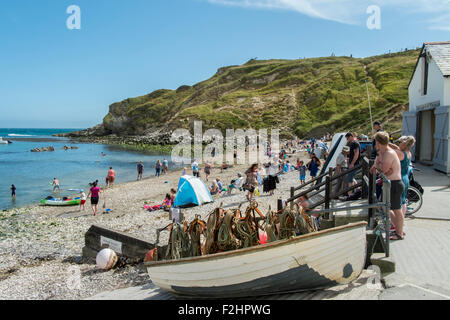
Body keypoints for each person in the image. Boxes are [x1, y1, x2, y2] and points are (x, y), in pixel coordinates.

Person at [370, 131, 404, 240]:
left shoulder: (388, 153)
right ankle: (398, 228)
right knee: (383, 206)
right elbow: (380, 167)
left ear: (378, 142)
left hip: (394, 184)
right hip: (389, 184)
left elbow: (383, 169)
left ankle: (399, 233)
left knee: (396, 209)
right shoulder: (382, 152)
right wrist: (378, 166)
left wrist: (378, 167)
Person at [389, 136, 416, 220]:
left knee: (396, 204)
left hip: (398, 178)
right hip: (405, 178)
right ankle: (401, 220)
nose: (398, 144)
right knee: (403, 201)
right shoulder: (408, 153)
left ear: (404, 144)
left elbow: (390, 151)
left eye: (399, 142)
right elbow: (397, 148)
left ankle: (397, 222)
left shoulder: (399, 153)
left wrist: (384, 142)